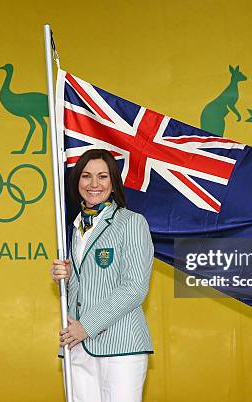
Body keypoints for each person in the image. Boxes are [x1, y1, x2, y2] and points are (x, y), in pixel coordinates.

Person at [51, 148, 154, 402]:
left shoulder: (131, 222)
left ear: (113, 182)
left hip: (119, 345)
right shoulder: (74, 227)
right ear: (77, 182)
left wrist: (87, 327)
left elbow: (134, 288)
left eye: (102, 177)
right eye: (86, 176)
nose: (93, 184)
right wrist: (64, 276)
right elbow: (90, 283)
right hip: (76, 344)